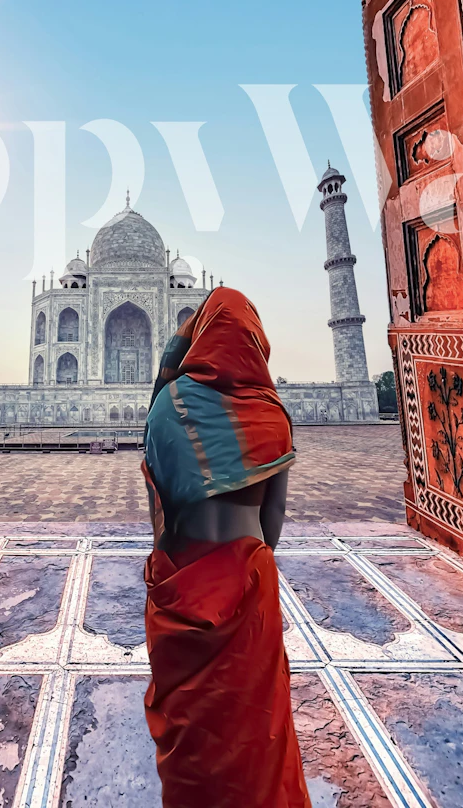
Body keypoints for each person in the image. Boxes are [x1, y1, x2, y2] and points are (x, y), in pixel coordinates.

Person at [142, 286, 311, 808]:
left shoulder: (169, 407)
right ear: (252, 339)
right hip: (248, 577)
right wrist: (249, 563)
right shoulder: (270, 414)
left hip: (186, 577)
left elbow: (161, 508)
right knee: (255, 725)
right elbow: (273, 518)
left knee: (193, 735)